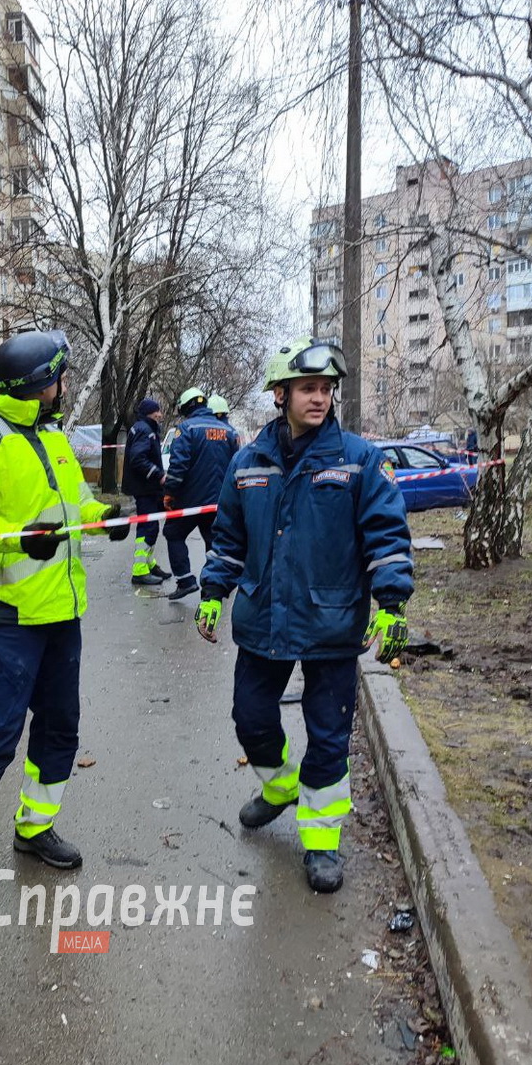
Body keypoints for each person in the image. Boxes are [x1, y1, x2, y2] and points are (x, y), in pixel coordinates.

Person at [195, 337, 413, 894]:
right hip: (264, 618)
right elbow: (227, 538)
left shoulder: (360, 460)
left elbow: (387, 539)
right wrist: (214, 592)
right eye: (307, 389)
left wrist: (392, 605)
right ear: (280, 394)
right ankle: (277, 787)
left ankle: (321, 843)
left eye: (325, 389)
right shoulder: (248, 462)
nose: (319, 398)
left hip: (333, 623)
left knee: (329, 737)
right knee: (250, 716)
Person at [0, 330, 130, 906]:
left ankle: (34, 828)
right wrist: (18, 540)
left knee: (59, 728)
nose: (63, 385)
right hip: (9, 616)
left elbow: (67, 506)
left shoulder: (51, 436)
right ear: (41, 383)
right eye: (58, 377)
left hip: (61, 614)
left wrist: (103, 517)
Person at [163, 387, 240, 600]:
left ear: (187, 407)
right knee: (213, 541)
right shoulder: (230, 431)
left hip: (190, 501)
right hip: (220, 502)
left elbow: (178, 465)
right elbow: (237, 465)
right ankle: (213, 586)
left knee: (173, 533)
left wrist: (169, 492)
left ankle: (186, 580)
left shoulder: (186, 428)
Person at [120, 396, 171, 586]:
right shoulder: (144, 430)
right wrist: (159, 475)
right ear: (150, 412)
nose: (160, 414)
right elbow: (138, 459)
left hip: (147, 488)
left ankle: (149, 564)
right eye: (158, 411)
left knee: (151, 526)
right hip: (145, 488)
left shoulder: (144, 428)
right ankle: (140, 570)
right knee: (147, 527)